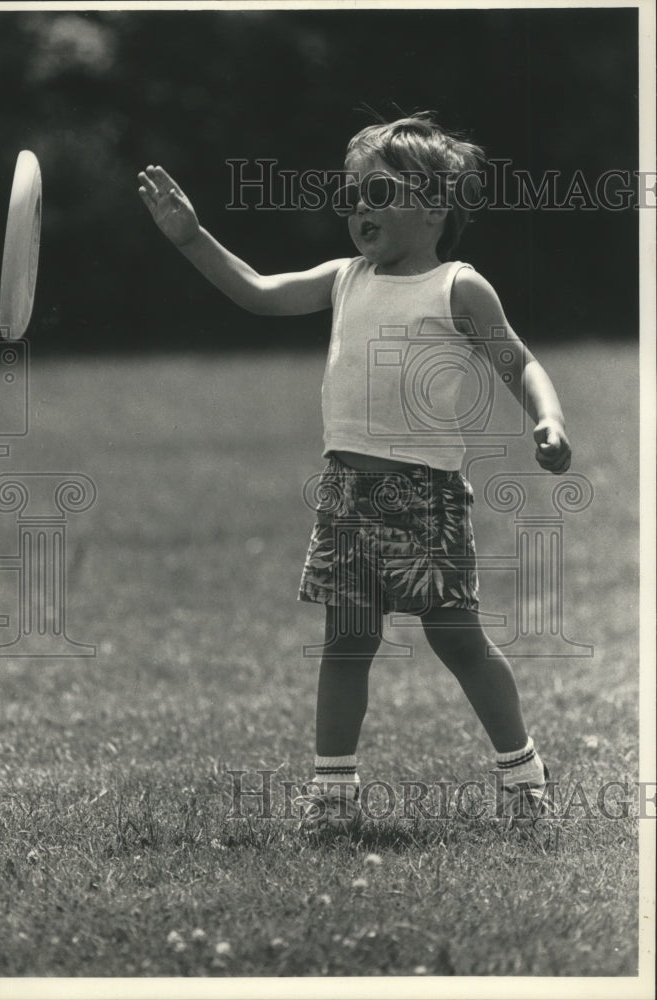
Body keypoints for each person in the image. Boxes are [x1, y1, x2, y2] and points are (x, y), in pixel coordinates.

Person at [138, 111, 571, 837]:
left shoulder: (458, 287)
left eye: (377, 192)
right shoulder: (345, 278)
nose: (357, 209)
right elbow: (256, 291)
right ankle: (333, 797)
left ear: (433, 208)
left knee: (457, 638)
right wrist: (191, 238)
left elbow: (518, 361)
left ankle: (522, 775)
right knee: (345, 642)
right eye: (351, 196)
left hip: (423, 494)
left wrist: (547, 418)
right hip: (345, 491)